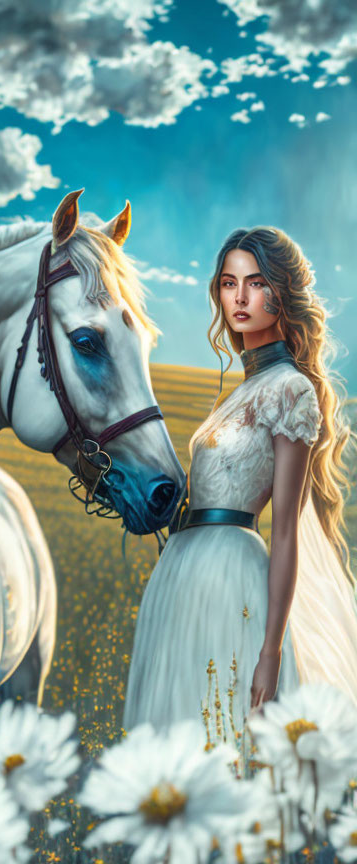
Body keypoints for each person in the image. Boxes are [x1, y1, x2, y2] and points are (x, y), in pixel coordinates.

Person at [123, 226, 357, 739]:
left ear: (282, 292)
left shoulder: (291, 390)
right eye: (229, 283)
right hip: (182, 577)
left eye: (256, 282)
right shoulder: (240, 390)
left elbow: (286, 532)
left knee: (226, 732)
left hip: (232, 581)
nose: (241, 297)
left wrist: (271, 652)